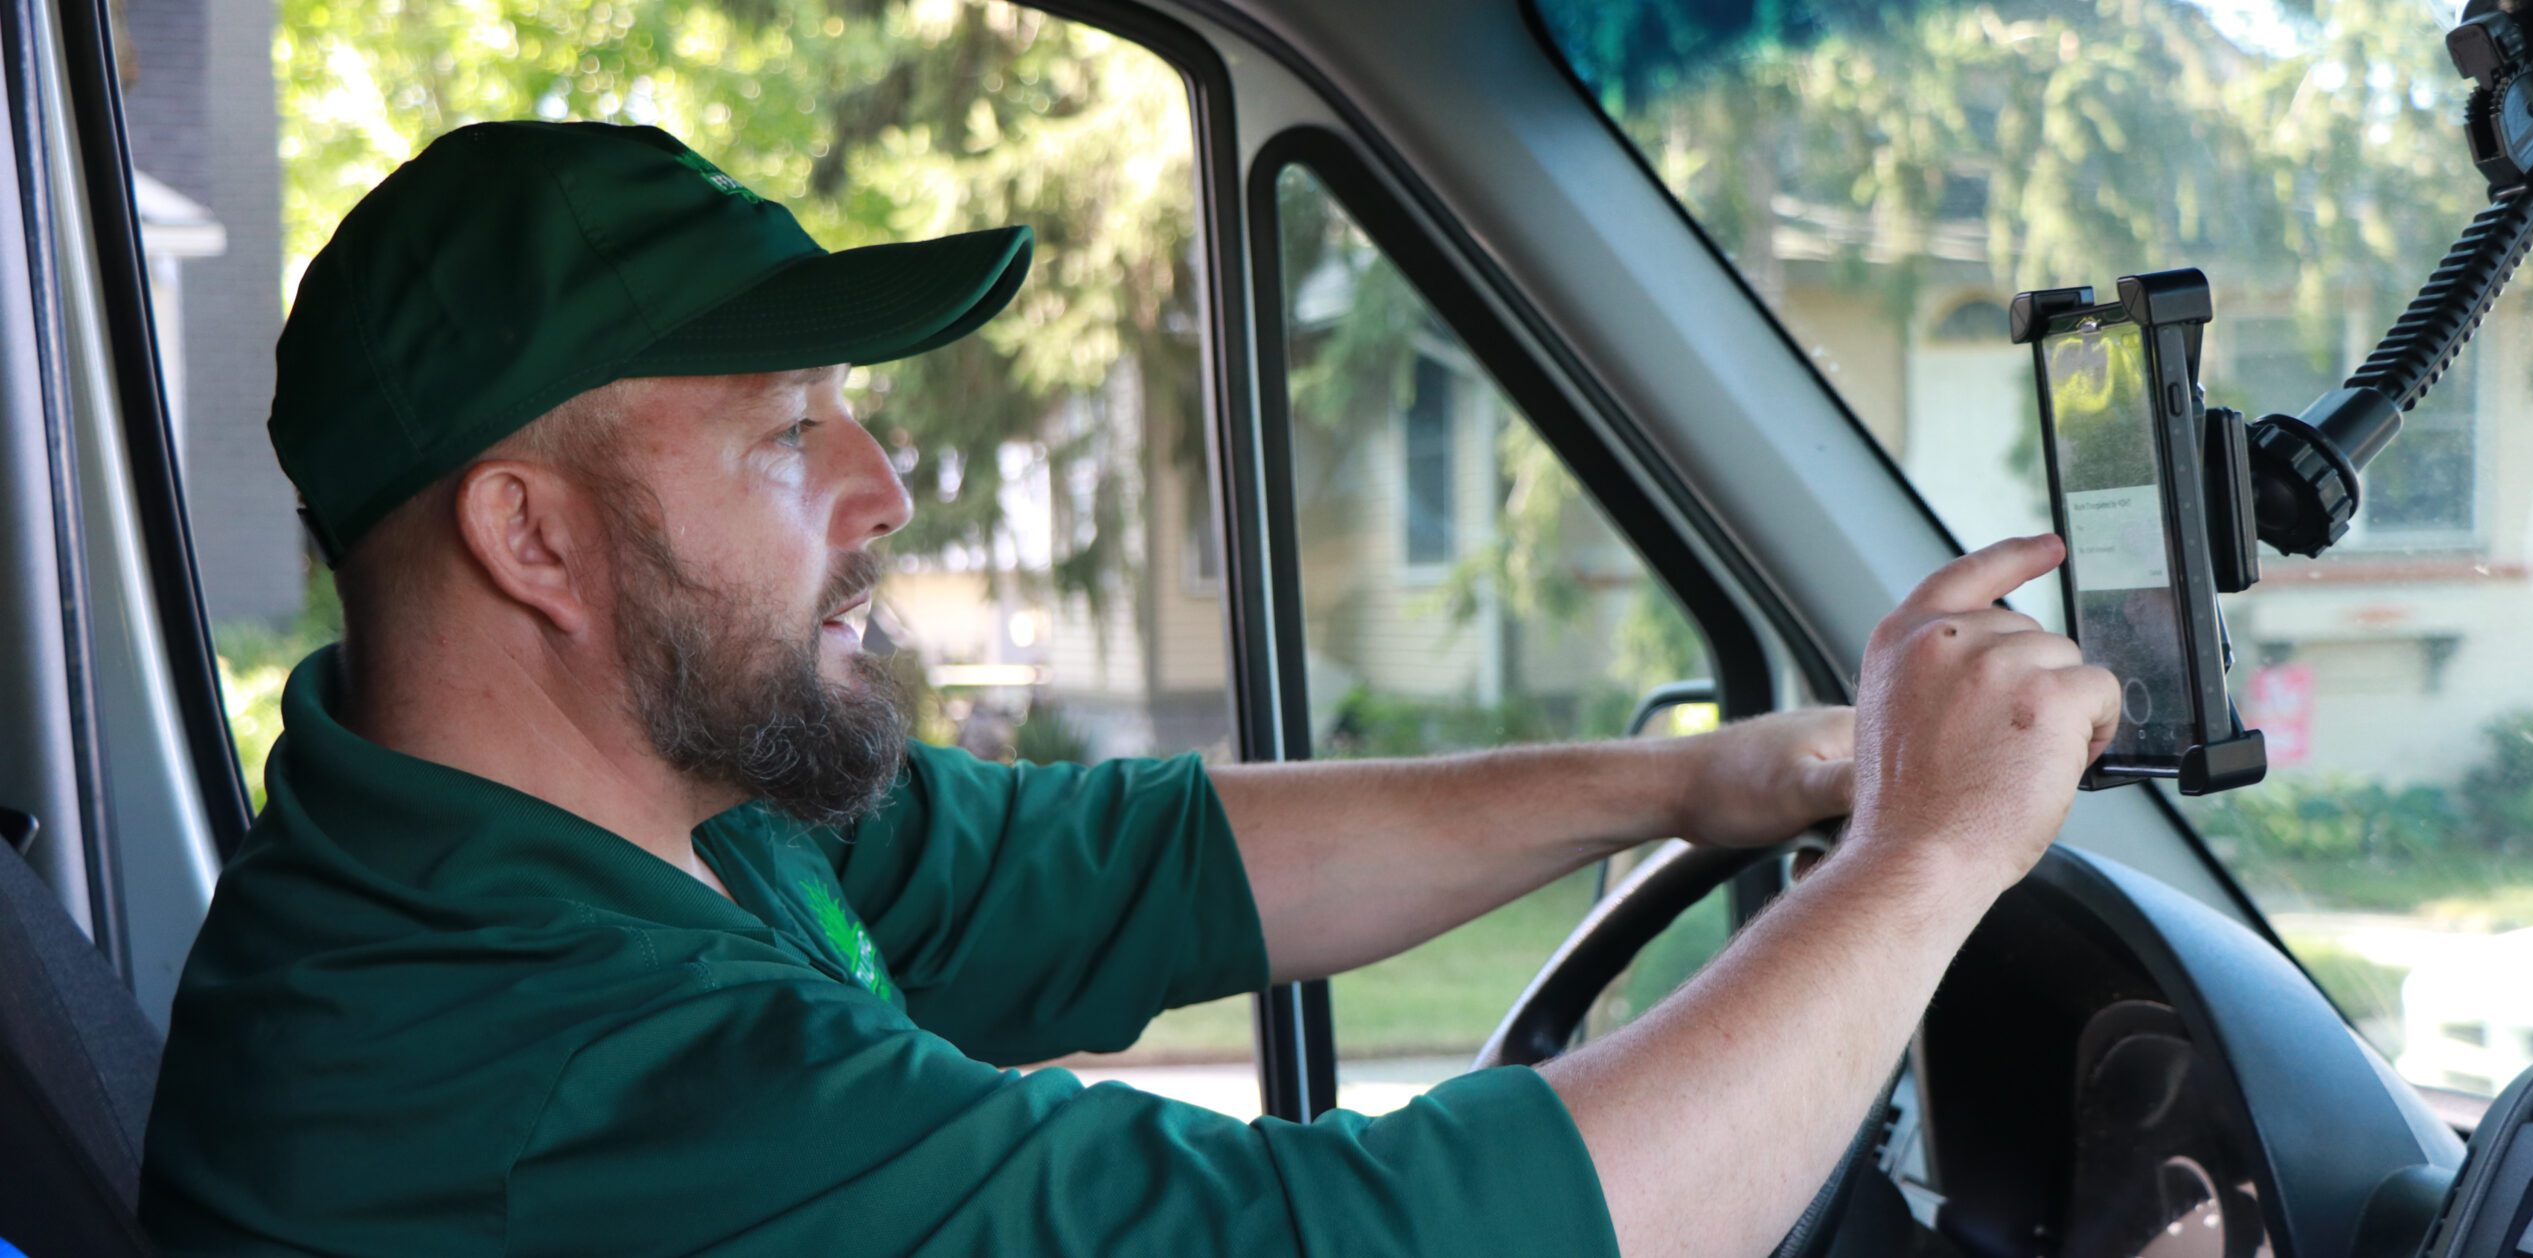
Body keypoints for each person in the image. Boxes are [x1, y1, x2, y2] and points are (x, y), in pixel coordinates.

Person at [139, 121, 2120, 1258]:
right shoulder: (542, 1070)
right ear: (533, 539)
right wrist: (1924, 860)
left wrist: (1707, 786)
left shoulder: (609, 821)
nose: (881, 489)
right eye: (781, 435)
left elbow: (1134, 862)